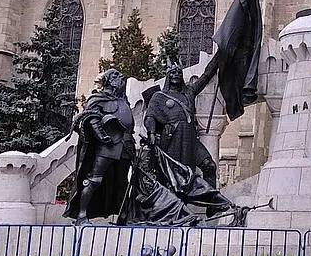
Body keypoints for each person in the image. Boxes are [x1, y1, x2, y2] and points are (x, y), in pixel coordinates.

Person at [65, 68, 135, 224]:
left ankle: (124, 216)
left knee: (123, 182)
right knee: (95, 179)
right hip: (107, 146)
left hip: (125, 145)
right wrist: (102, 136)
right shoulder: (98, 98)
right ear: (108, 80)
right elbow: (90, 118)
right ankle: (82, 215)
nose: (120, 78)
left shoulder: (123, 100)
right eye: (116, 75)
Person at [143, 62, 218, 190]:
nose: (176, 75)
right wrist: (151, 133)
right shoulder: (159, 97)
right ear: (168, 76)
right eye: (173, 72)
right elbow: (150, 116)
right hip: (172, 138)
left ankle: (212, 208)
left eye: (179, 72)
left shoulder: (189, 92)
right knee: (174, 177)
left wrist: (220, 55)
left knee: (209, 166)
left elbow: (205, 76)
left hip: (191, 139)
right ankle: (172, 206)